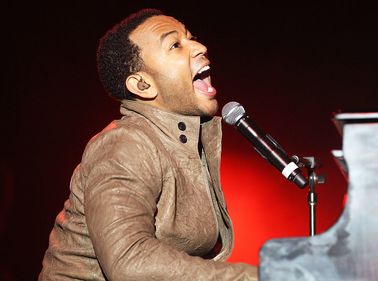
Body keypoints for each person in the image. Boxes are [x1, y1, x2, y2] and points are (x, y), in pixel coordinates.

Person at [38, 8, 258, 281]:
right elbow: (130, 260)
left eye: (192, 38)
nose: (200, 47)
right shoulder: (124, 144)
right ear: (142, 85)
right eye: (175, 45)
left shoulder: (182, 144)